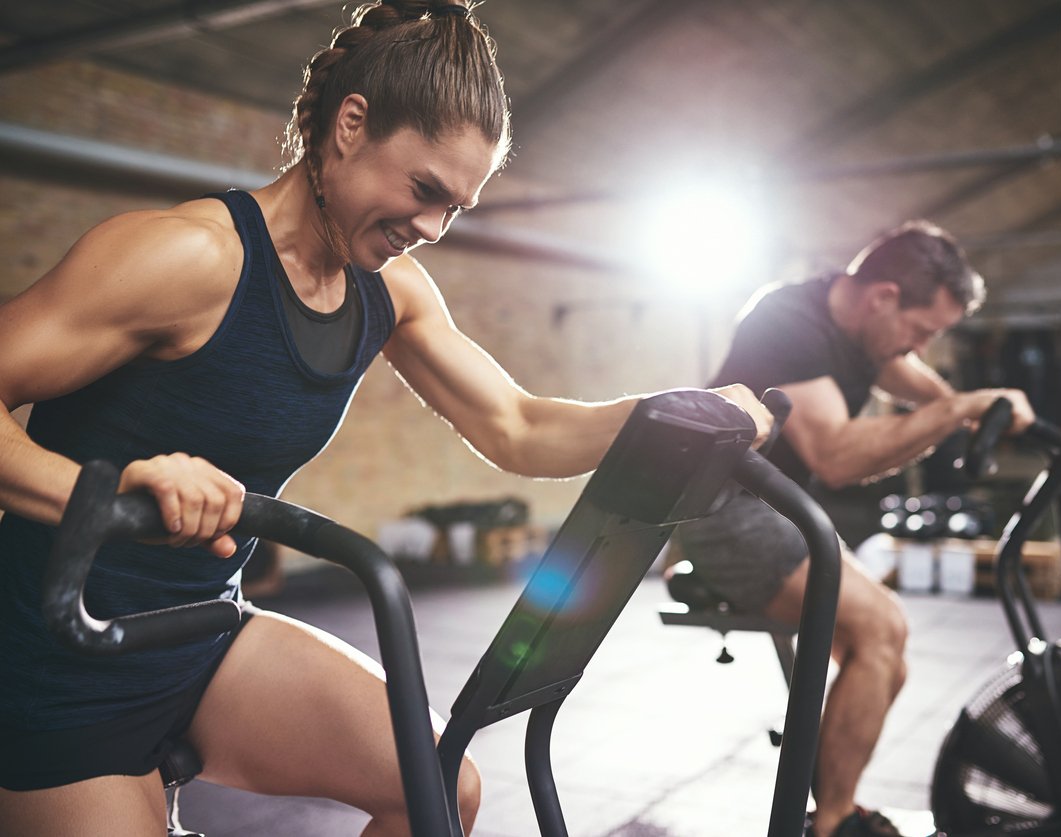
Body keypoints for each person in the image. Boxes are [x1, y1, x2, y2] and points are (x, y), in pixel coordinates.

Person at [0, 3, 772, 835]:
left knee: (442, 788)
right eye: (425, 190)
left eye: (457, 209)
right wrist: (107, 488)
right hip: (57, 650)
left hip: (201, 632)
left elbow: (517, 425)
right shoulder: (186, 258)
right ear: (351, 124)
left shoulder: (386, 295)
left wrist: (675, 413)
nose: (434, 228)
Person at [673, 221, 1035, 837]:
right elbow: (836, 457)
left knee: (886, 659)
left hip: (774, 506)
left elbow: (908, 375)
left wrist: (971, 410)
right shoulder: (789, 320)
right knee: (880, 629)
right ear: (883, 297)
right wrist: (956, 412)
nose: (918, 346)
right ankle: (832, 823)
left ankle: (827, 803)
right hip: (722, 510)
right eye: (921, 332)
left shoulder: (861, 333)